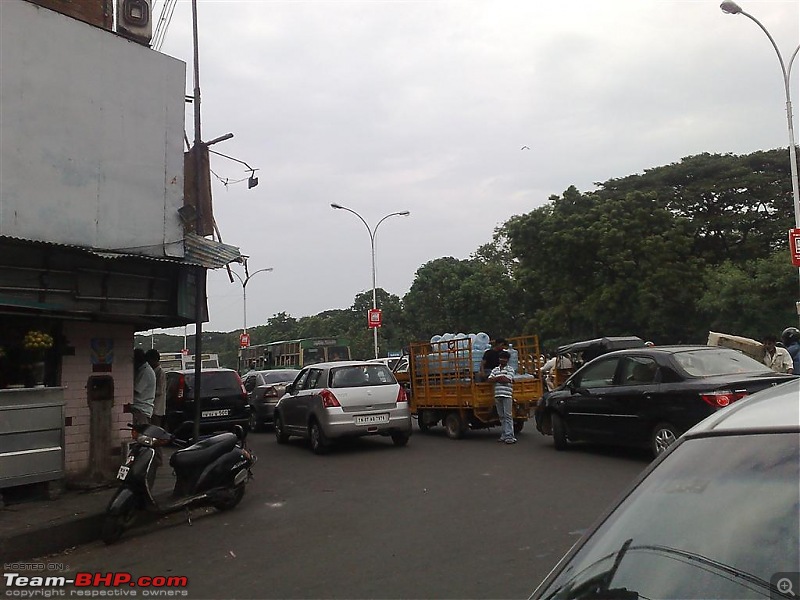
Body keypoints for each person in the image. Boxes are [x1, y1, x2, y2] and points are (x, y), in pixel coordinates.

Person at [488, 350, 516, 444]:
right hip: (498, 395)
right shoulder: (495, 369)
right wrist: (500, 378)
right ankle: (504, 435)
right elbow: (489, 380)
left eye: (504, 358)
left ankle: (510, 436)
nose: (502, 360)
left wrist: (497, 379)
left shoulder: (510, 369)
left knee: (508, 416)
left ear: (507, 360)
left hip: (507, 395)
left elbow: (507, 379)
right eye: (501, 358)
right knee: (501, 416)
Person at [132, 348, 156, 425]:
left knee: (141, 435)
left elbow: (136, 390)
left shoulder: (145, 372)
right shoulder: (143, 370)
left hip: (142, 409)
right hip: (140, 409)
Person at [145, 349, 167, 427]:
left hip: (157, 407)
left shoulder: (160, 373)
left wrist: (147, 393)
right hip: (152, 407)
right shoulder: (153, 371)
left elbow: (160, 390)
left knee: (155, 428)